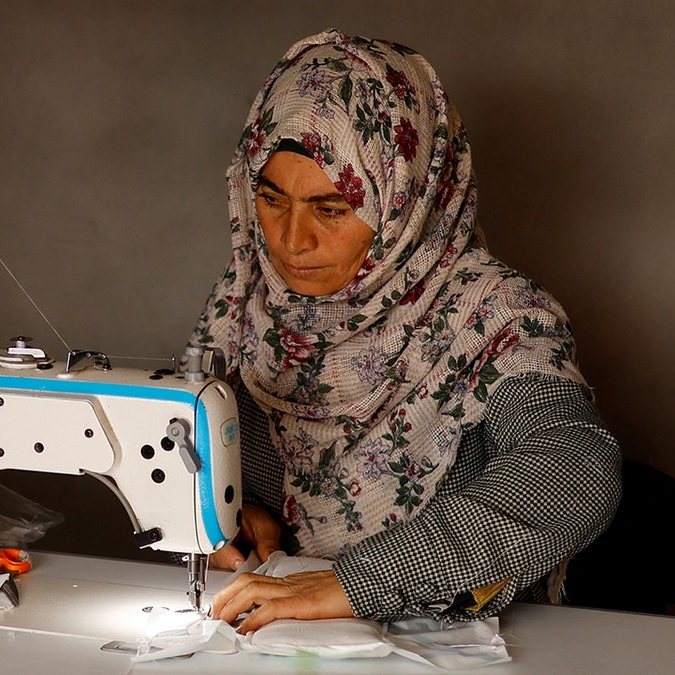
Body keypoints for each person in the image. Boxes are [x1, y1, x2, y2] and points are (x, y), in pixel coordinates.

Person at [192, 30, 621, 632]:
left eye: (332, 207)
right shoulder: (244, 303)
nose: (291, 241)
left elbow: (573, 469)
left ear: (405, 199)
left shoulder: (495, 317)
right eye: (270, 198)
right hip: (289, 646)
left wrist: (356, 581)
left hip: (463, 645)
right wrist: (235, 514)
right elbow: (192, 453)